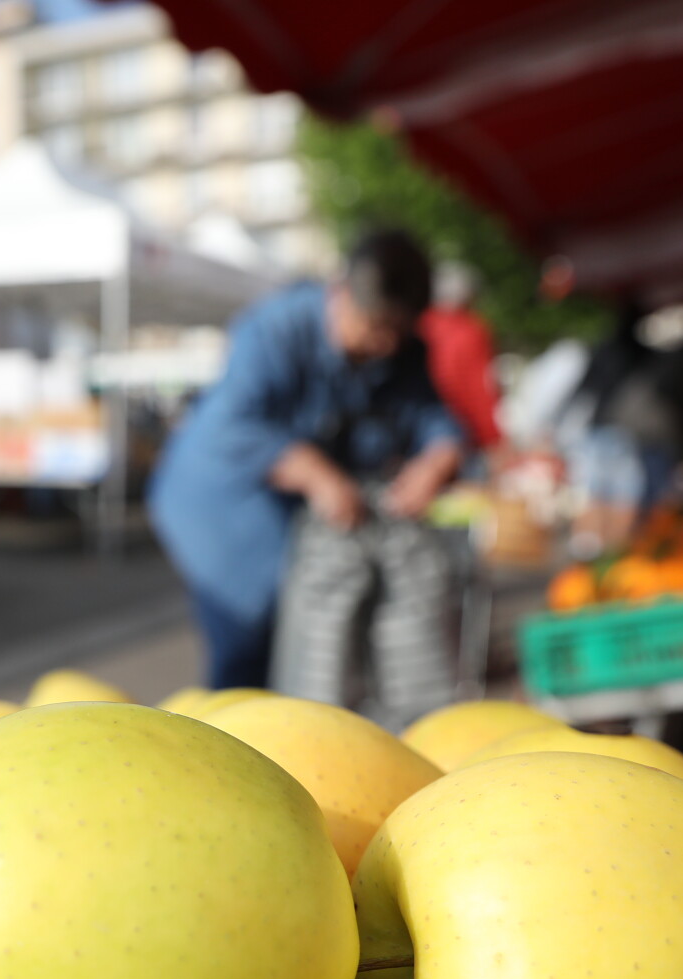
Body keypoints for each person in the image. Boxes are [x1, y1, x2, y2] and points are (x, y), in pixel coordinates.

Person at [148, 229, 463, 694]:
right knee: (246, 651)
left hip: (309, 529)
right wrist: (315, 473)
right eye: (373, 327)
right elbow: (235, 425)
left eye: (395, 334)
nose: (383, 347)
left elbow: (435, 422)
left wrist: (436, 463)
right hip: (225, 515)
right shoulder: (274, 329)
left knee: (317, 654)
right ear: (339, 291)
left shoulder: (403, 352)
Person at [417, 261, 504, 455]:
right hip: (466, 433)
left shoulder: (421, 326)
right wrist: (495, 440)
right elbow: (481, 388)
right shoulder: (472, 331)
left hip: (423, 435)